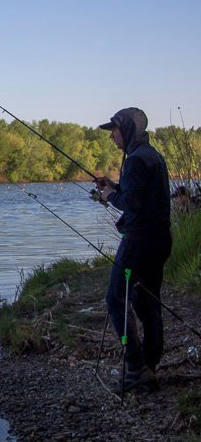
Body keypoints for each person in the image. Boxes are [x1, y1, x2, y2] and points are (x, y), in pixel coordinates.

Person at [94, 107, 172, 392]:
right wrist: (115, 186)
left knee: (116, 298)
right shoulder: (151, 155)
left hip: (139, 242)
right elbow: (140, 195)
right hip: (159, 239)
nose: (112, 136)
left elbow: (132, 205)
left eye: (114, 130)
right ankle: (149, 368)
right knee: (147, 303)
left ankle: (136, 368)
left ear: (127, 129)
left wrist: (109, 195)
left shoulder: (137, 160)